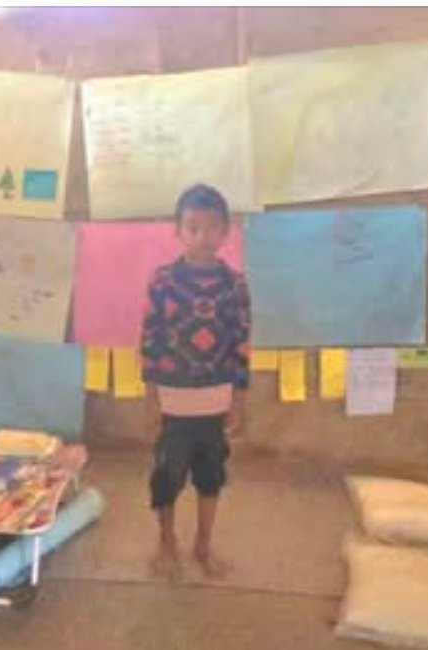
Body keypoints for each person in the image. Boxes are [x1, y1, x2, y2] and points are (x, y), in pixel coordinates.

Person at [140, 183, 251, 580]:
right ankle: (166, 543)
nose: (202, 237)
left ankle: (203, 546)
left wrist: (239, 401)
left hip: (215, 402)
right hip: (172, 401)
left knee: (211, 477)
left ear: (226, 231)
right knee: (167, 476)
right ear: (178, 231)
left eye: (212, 228)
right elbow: (150, 341)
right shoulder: (162, 281)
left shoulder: (235, 285)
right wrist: (151, 398)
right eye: (193, 228)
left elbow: (241, 344)